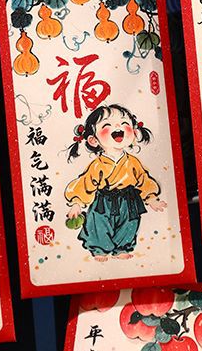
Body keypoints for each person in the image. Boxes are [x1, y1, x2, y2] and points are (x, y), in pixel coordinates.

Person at [64, 103, 164, 258]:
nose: (118, 127)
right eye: (107, 125)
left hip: (128, 200)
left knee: (129, 224)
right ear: (93, 140)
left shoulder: (133, 162)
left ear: (134, 133)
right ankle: (99, 249)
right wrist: (77, 203)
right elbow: (85, 183)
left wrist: (151, 198)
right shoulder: (97, 165)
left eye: (124, 123)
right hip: (104, 202)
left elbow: (143, 180)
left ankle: (122, 248)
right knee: (98, 224)